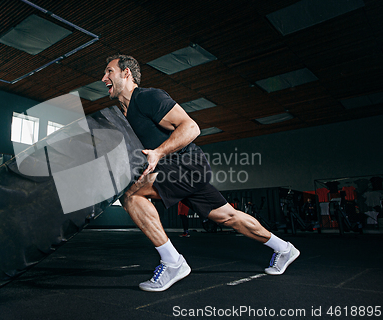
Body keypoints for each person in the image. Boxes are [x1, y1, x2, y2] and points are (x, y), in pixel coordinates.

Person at [101, 54, 300, 292]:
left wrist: (158, 153)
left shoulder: (147, 97)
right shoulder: (126, 114)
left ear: (126, 73)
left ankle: (173, 262)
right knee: (229, 217)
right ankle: (284, 249)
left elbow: (191, 127)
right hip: (181, 171)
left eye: (109, 71)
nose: (104, 78)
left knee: (131, 195)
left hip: (186, 165)